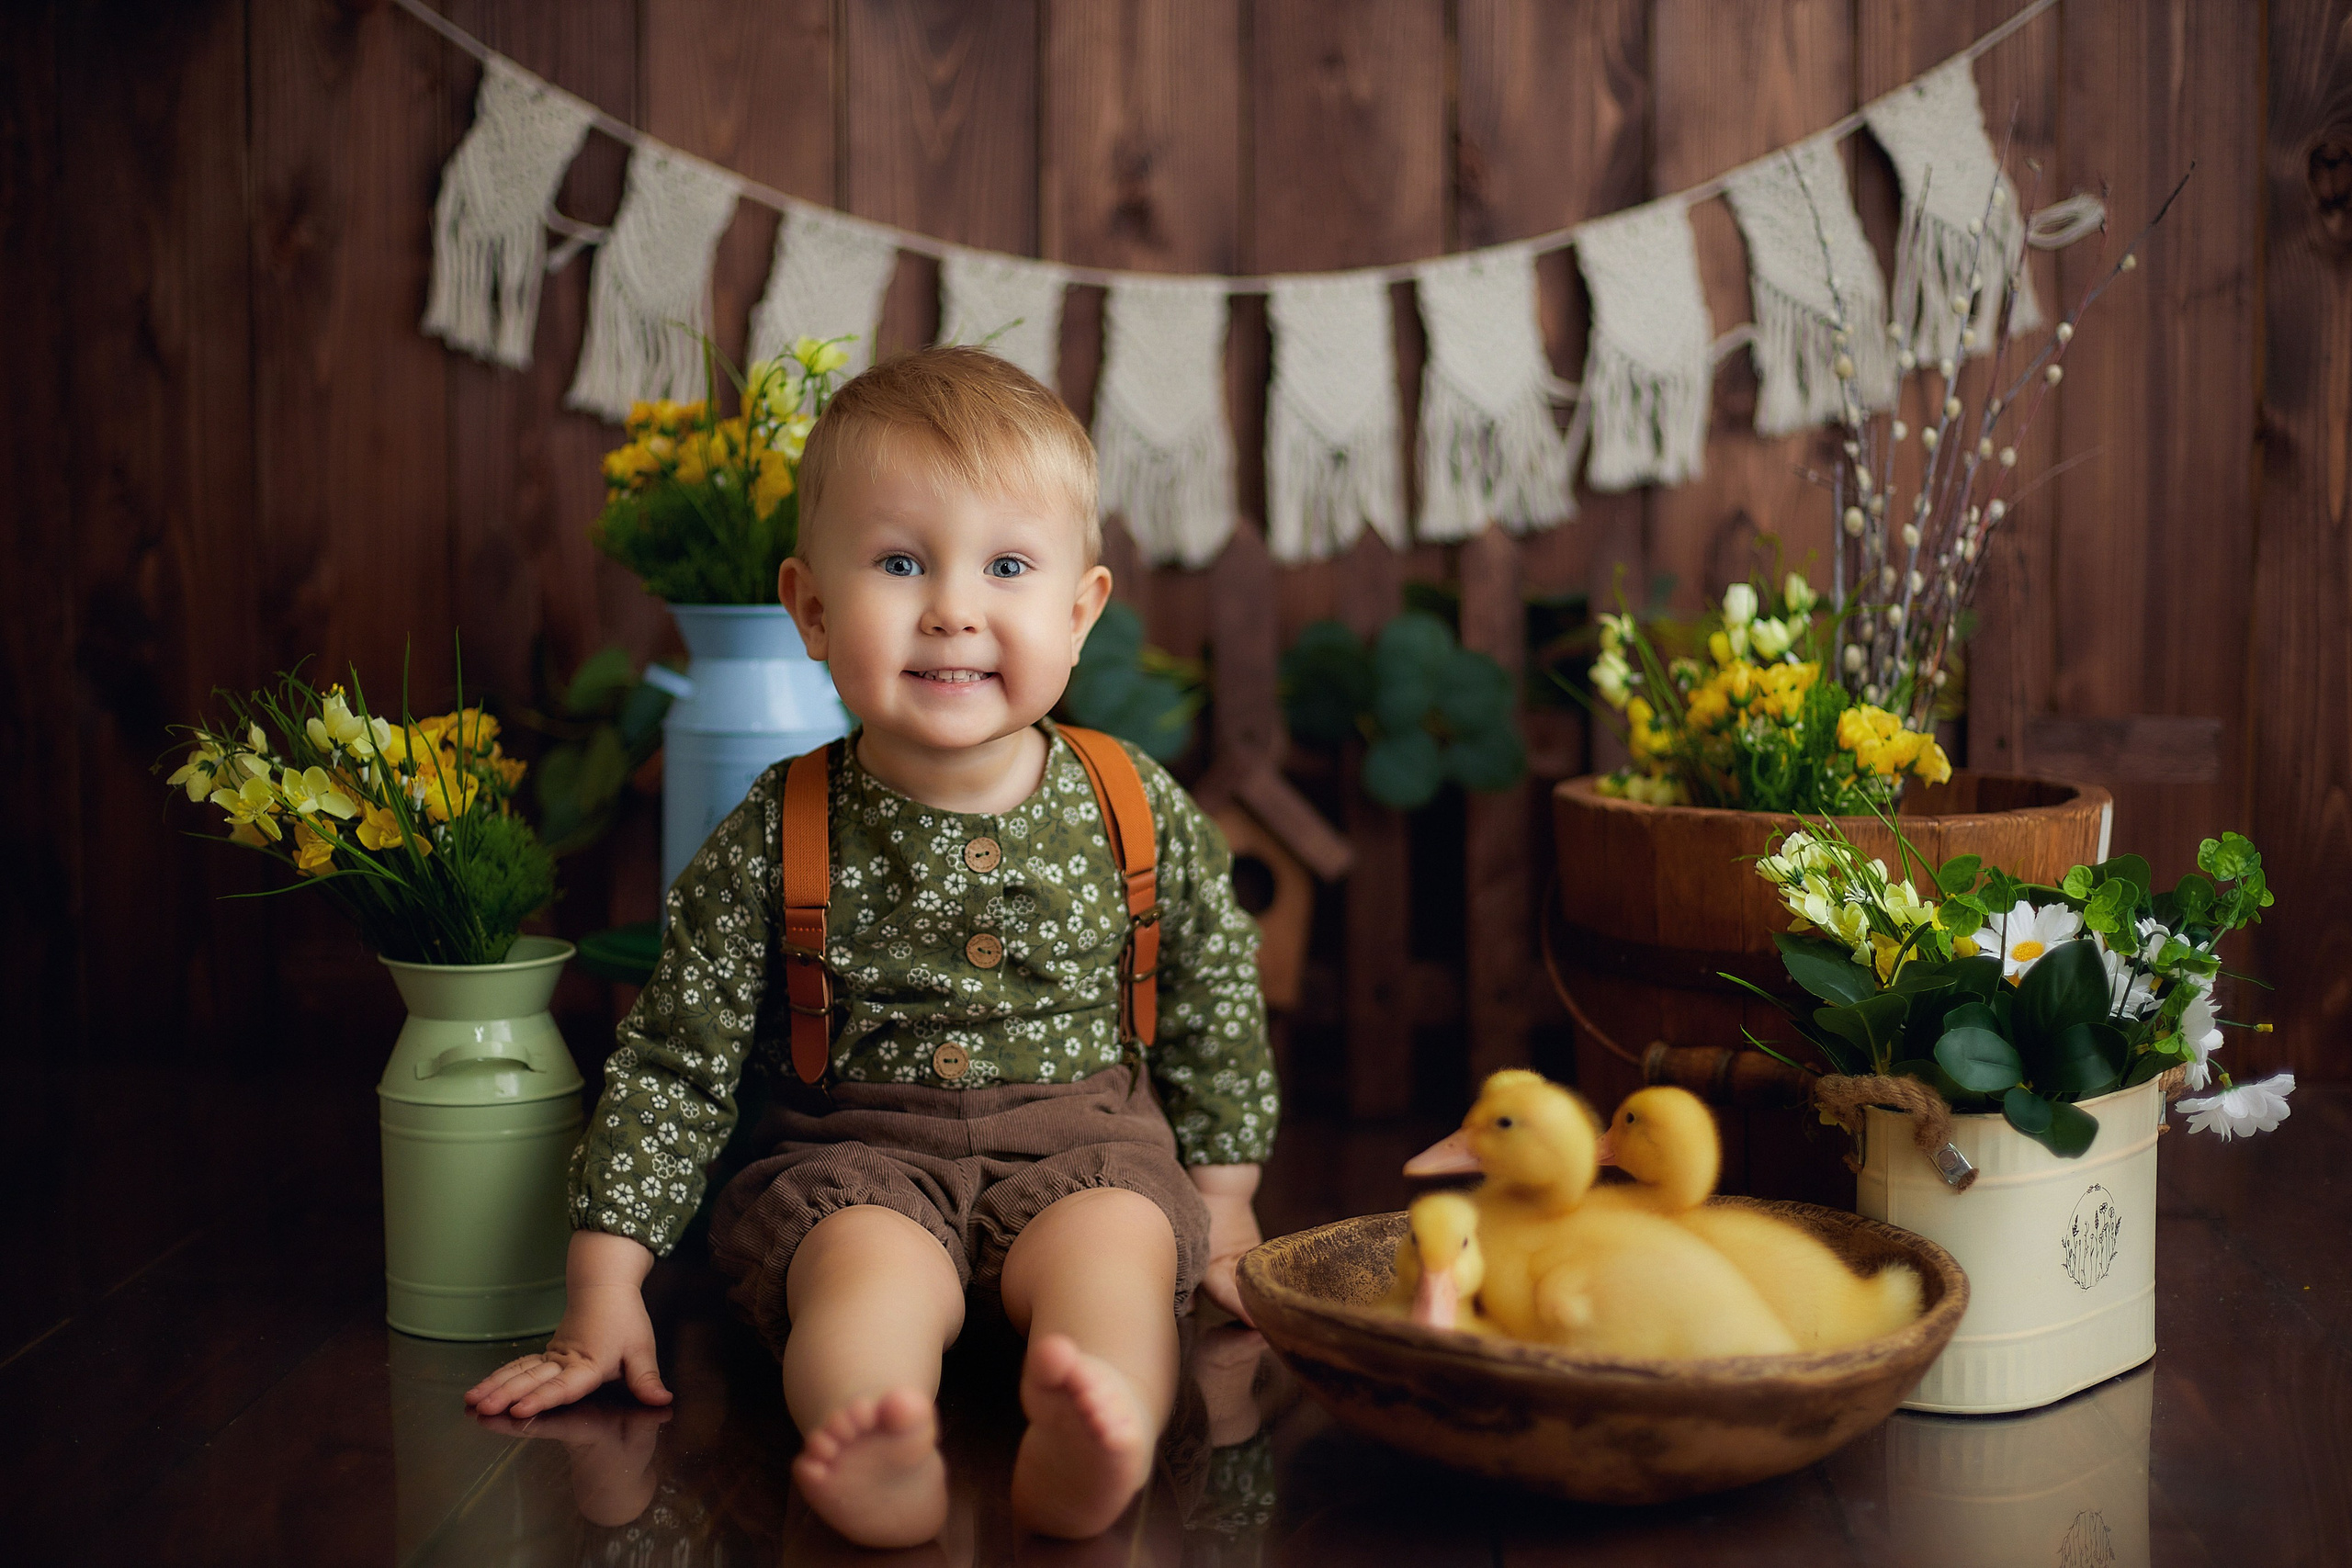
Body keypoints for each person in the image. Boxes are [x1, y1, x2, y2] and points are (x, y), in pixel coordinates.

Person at [466, 346, 1278, 1550]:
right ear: (811, 608)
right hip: (855, 1153)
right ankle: (875, 1435)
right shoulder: (776, 830)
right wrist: (605, 1284)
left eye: (1006, 565)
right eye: (901, 563)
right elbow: (677, 1060)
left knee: (1117, 1269)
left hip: (1092, 1143)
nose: (953, 606)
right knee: (856, 1281)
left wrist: (1227, 1194)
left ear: (1079, 609)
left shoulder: (1131, 803)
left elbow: (1213, 989)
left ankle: (1096, 1431)